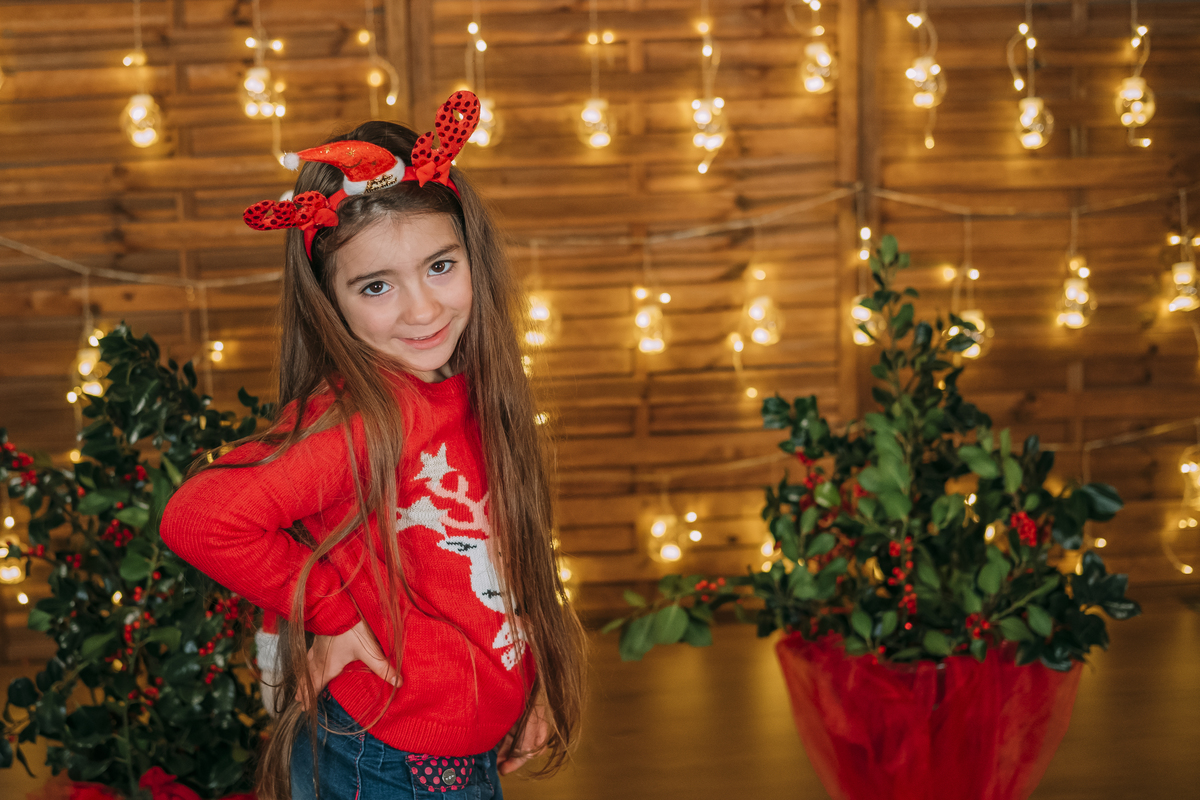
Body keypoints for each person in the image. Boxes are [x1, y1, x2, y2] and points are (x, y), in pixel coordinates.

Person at [159, 91, 586, 800]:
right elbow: (201, 518)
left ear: (472, 255)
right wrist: (330, 608)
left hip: (453, 747)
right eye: (377, 285)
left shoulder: (467, 388)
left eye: (440, 267)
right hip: (388, 759)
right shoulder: (365, 419)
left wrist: (525, 680)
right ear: (329, 300)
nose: (422, 310)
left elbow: (496, 559)